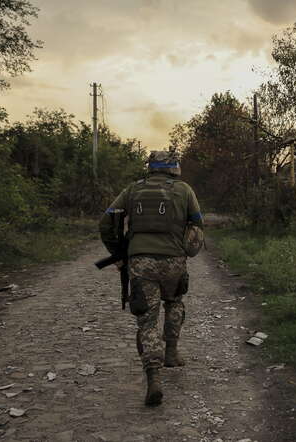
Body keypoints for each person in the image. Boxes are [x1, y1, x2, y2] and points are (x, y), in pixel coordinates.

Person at [99, 150, 204, 406]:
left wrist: (118, 254)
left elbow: (105, 222)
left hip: (140, 262)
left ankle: (153, 377)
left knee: (147, 321)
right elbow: (198, 225)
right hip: (174, 261)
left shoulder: (132, 190)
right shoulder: (185, 190)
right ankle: (171, 352)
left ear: (150, 167)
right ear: (173, 168)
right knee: (175, 302)